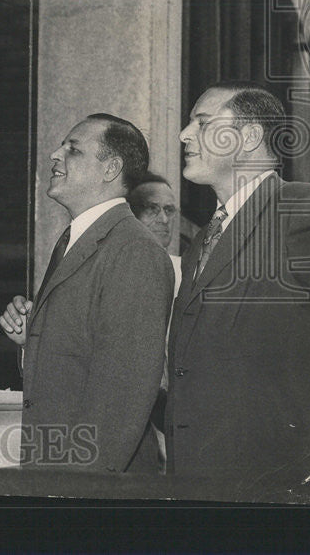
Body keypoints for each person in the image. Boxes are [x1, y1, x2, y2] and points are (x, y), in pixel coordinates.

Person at [166, 81, 310, 501]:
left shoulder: (301, 210)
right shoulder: (199, 246)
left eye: (202, 122)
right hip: (196, 486)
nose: (183, 135)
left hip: (278, 490)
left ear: (248, 137)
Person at [0, 114, 174, 471]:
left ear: (110, 169)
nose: (54, 155)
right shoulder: (74, 240)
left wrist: (77, 492)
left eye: (73, 150)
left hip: (86, 479)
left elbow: (121, 398)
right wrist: (30, 338)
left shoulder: (134, 251)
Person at [127, 171, 183, 469]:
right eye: (152, 209)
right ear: (131, 215)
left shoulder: (185, 272)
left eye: (169, 210)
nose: (164, 219)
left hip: (177, 418)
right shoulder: (116, 272)